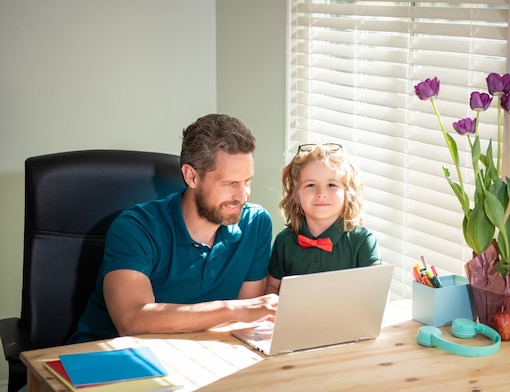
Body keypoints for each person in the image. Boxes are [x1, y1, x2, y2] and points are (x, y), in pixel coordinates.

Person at [69, 113, 278, 343]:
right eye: (230, 183)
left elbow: (243, 326)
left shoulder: (255, 224)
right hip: (104, 359)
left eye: (247, 181)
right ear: (191, 176)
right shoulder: (135, 228)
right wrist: (233, 309)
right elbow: (132, 321)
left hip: (194, 357)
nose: (242, 195)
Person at [265, 142, 382, 295]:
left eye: (332, 185)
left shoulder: (362, 240)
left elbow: (376, 295)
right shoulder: (284, 241)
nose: (321, 193)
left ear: (348, 193)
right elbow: (272, 287)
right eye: (311, 185)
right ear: (295, 195)